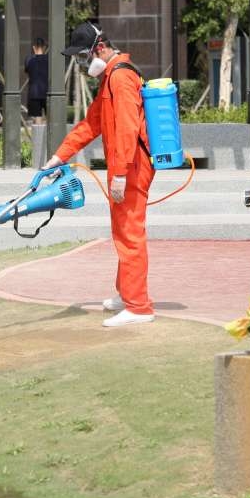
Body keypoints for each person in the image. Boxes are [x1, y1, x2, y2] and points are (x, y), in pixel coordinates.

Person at [38, 22, 155, 328]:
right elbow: (92, 124)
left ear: (99, 49)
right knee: (122, 231)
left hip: (131, 169)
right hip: (126, 168)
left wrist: (119, 176)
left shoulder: (121, 77)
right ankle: (127, 293)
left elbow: (128, 130)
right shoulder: (110, 78)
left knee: (130, 233)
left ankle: (139, 307)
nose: (79, 63)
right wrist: (59, 156)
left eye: (81, 57)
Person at [25, 37, 50, 123]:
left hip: (34, 93)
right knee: (49, 118)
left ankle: (37, 136)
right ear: (44, 47)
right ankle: (48, 136)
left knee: (37, 118)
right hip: (47, 92)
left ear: (34, 47)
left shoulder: (29, 60)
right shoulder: (49, 60)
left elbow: (27, 70)